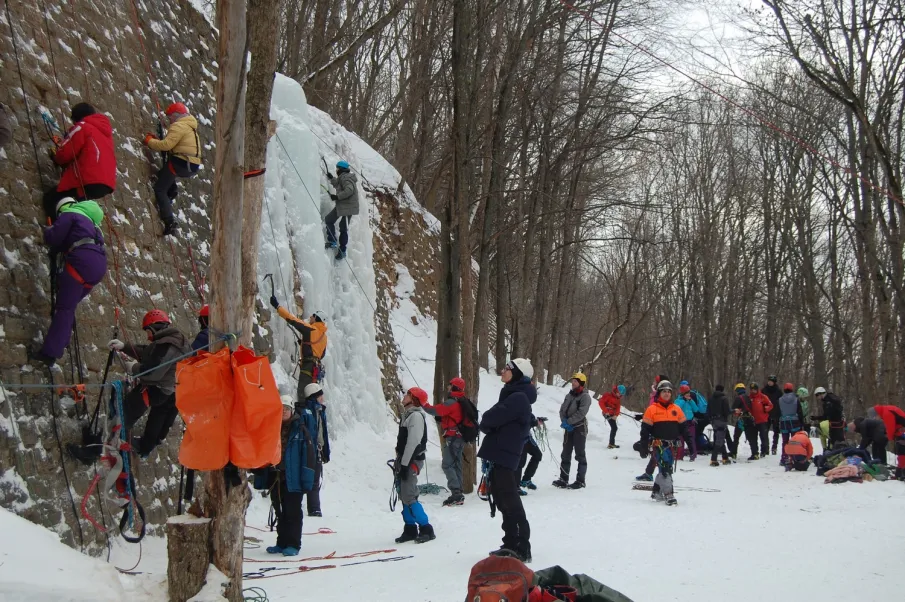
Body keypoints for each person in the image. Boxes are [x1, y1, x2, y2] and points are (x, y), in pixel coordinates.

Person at [32, 199, 107, 367]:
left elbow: (54, 237)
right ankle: (61, 341)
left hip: (81, 262)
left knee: (65, 308)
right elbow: (73, 240)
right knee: (69, 306)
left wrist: (46, 231)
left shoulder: (69, 214)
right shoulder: (94, 226)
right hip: (98, 265)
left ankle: (50, 352)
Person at [107, 310, 189, 458]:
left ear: (154, 327)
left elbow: (153, 372)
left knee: (124, 414)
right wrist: (124, 346)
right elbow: (148, 353)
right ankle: (121, 444)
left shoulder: (168, 344)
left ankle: (105, 449)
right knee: (147, 417)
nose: (148, 336)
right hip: (168, 390)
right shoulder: (175, 341)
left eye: (148, 331)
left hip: (155, 389)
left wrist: (133, 368)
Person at [478, 358, 535, 562]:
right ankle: (510, 543)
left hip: (505, 454)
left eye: (508, 368)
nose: (503, 371)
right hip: (501, 454)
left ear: (518, 374)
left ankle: (521, 546)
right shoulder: (513, 395)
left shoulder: (518, 398)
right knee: (503, 500)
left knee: (509, 500)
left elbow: (488, 419)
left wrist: (490, 424)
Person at [42, 103, 117, 221]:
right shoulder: (105, 134)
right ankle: (78, 226)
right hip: (105, 184)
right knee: (78, 206)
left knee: (52, 198)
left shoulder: (82, 126)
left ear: (77, 118)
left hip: (87, 179)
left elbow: (65, 154)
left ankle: (59, 228)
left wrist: (56, 156)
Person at [266, 397, 316, 556]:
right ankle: (281, 542)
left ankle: (293, 544)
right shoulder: (273, 428)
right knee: (279, 510)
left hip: (293, 478)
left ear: (292, 410)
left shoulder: (300, 429)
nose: (284, 412)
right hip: (276, 476)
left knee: (292, 511)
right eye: (282, 409)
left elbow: (307, 456)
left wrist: (306, 479)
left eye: (287, 409)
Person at [143, 102, 202, 236]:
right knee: (164, 175)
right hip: (192, 165)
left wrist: (149, 141)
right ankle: (172, 190)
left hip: (181, 162)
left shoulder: (179, 125)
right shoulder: (190, 126)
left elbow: (166, 145)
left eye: (170, 117)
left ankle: (169, 222)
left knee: (160, 188)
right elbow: (173, 145)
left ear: (176, 116)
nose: (169, 121)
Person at [393, 387, 435, 544]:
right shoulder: (409, 415)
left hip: (411, 461)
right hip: (405, 460)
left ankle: (426, 528)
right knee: (403, 493)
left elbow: (414, 442)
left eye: (408, 395)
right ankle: (410, 528)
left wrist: (405, 464)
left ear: (414, 399)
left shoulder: (415, 416)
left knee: (409, 494)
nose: (404, 396)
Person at [636, 380, 688, 506]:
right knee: (665, 469)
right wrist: (643, 447)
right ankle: (669, 494)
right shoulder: (652, 409)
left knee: (667, 467)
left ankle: (656, 491)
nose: (666, 393)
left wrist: (691, 444)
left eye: (669, 391)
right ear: (659, 393)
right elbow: (645, 431)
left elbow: (684, 429)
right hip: (658, 445)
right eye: (664, 391)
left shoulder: (677, 409)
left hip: (672, 446)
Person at [421, 377, 468, 506]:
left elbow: (433, 410)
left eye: (450, 385)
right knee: (456, 464)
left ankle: (456, 493)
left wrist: (423, 403)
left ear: (454, 387)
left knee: (447, 465)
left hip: (452, 438)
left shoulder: (451, 402)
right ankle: (458, 492)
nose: (448, 387)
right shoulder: (461, 401)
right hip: (459, 437)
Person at [269, 295, 328, 396]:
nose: (310, 317)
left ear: (316, 318)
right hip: (315, 369)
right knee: (311, 393)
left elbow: (293, 320)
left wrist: (278, 307)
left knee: (302, 392)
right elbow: (321, 355)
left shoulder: (311, 329)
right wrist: (306, 345)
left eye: (312, 316)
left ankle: (301, 406)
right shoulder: (324, 337)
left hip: (308, 366)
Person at [552, 372, 591, 489]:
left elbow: (581, 413)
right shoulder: (569, 395)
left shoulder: (585, 397)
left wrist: (569, 422)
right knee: (565, 453)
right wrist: (563, 420)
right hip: (568, 428)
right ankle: (563, 479)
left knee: (580, 454)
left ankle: (580, 481)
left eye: (575, 381)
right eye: (573, 381)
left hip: (579, 428)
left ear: (581, 383)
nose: (573, 383)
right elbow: (562, 409)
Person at [300, 383, 330, 517]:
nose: (322, 398)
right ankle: (311, 508)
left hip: (316, 450)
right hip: (308, 449)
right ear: (314, 396)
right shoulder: (306, 412)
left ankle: (315, 508)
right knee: (309, 478)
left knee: (315, 479)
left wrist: (325, 452)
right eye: (320, 396)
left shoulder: (319, 411)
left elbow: (323, 434)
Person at [324, 160, 360, 260]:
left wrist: (337, 197)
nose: (336, 170)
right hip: (344, 206)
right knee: (330, 220)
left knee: (339, 225)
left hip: (348, 207)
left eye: (337, 168)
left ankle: (340, 249)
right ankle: (334, 243)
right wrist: (332, 178)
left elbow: (349, 190)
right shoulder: (344, 177)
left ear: (341, 169)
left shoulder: (346, 178)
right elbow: (339, 185)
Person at [872, 405, 905, 480]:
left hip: (902, 432)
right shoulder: (886, 409)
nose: (875, 419)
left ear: (877, 414)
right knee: (901, 452)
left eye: (874, 417)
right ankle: (899, 473)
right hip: (900, 431)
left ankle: (901, 473)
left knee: (902, 452)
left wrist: (890, 437)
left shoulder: (886, 413)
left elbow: (890, 427)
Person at [776, 382, 805, 466]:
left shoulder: (780, 400)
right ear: (792, 389)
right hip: (794, 422)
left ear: (784, 389)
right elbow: (800, 412)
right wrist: (801, 423)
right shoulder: (796, 399)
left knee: (785, 441)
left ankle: (784, 458)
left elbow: (777, 412)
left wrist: (777, 423)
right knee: (795, 441)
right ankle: (795, 458)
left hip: (784, 422)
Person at [517, 417, 546, 494]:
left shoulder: (527, 409)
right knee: (520, 461)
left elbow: (528, 418)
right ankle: (515, 487)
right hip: (518, 437)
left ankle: (526, 479)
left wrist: (536, 421)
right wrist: (535, 422)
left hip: (527, 436)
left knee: (537, 455)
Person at [730, 383, 757, 459]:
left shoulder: (738, 398)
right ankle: (755, 454)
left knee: (736, 436)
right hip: (750, 419)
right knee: (751, 438)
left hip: (742, 420)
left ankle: (733, 453)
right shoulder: (749, 397)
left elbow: (733, 409)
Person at [708, 385, 731, 466]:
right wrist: (734, 411)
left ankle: (725, 458)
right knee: (719, 440)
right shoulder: (724, 399)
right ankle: (713, 459)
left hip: (714, 421)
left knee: (720, 438)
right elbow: (727, 411)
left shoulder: (711, 399)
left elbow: (708, 411)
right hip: (721, 421)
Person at [675, 384, 699, 461]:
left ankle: (693, 455)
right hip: (681, 423)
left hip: (690, 422)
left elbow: (696, 409)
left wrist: (691, 401)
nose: (688, 394)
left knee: (691, 439)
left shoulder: (690, 401)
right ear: (683, 394)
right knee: (680, 440)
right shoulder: (678, 400)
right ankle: (679, 456)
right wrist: (684, 400)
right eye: (686, 393)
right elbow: (676, 408)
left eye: (689, 393)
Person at [598, 385, 625, 449]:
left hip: (612, 414)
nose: (619, 395)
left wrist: (616, 415)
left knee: (614, 428)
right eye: (619, 393)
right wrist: (606, 411)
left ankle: (611, 444)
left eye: (621, 394)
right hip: (606, 413)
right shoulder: (608, 395)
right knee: (614, 428)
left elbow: (618, 408)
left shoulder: (618, 399)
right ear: (616, 391)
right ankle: (611, 444)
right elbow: (601, 402)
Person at [762, 375, 782, 455]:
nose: (769, 382)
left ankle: (774, 447)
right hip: (766, 413)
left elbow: (781, 402)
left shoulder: (778, 391)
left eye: (771, 381)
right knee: (765, 431)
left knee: (776, 431)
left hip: (776, 413)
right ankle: (766, 448)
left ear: (774, 382)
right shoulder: (764, 390)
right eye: (769, 381)